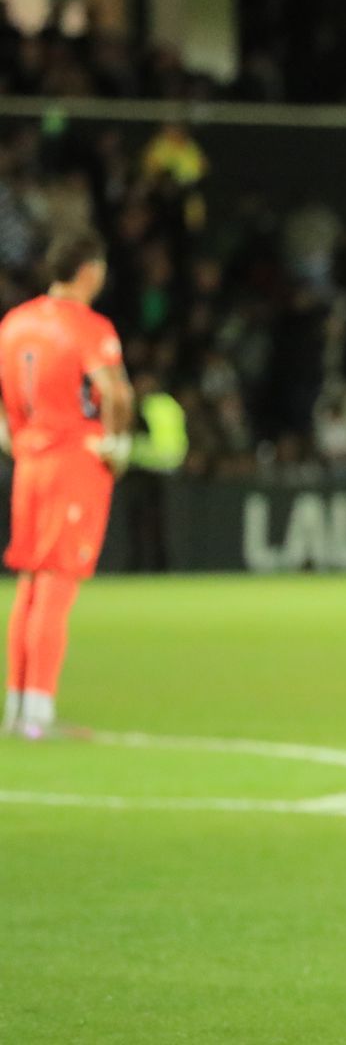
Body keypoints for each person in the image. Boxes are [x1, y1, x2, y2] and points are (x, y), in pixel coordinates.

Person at [0, 230, 133, 737]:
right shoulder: (87, 326)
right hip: (72, 461)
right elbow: (115, 394)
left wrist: (14, 432)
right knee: (57, 582)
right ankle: (39, 713)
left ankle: (17, 706)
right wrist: (117, 443)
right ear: (90, 270)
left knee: (31, 583)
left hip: (28, 462)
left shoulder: (15, 322)